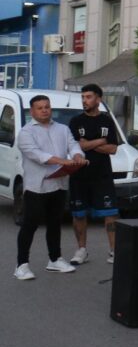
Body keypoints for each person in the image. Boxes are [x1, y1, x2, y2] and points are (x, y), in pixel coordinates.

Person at [14, 95, 87, 280]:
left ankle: (55, 259)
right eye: (40, 108)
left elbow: (73, 145)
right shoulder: (26, 132)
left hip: (59, 183)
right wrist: (63, 160)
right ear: (32, 111)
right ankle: (21, 265)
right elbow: (38, 155)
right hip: (36, 185)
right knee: (30, 224)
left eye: (47, 106)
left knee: (55, 224)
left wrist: (78, 156)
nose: (44, 110)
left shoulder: (62, 129)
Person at [68, 84, 121, 265]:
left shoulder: (107, 121)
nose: (85, 100)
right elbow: (78, 146)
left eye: (88, 97)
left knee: (111, 213)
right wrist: (99, 141)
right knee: (79, 214)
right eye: (83, 97)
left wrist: (88, 143)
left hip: (102, 175)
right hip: (79, 175)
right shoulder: (76, 121)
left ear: (98, 99)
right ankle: (81, 250)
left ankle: (114, 250)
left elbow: (113, 148)